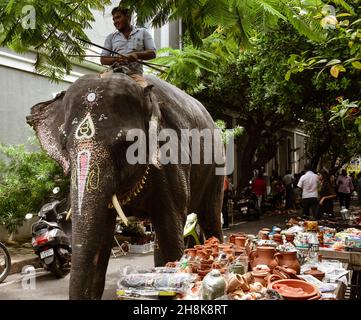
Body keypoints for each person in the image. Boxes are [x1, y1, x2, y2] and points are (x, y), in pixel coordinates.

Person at [100, 6, 156, 87]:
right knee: (98, 87)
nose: (115, 22)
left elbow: (152, 53)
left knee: (144, 89)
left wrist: (136, 54)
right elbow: (103, 59)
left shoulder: (143, 33)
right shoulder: (110, 37)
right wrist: (119, 58)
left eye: (118, 17)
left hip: (135, 75)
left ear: (128, 17)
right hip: (114, 73)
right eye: (114, 19)